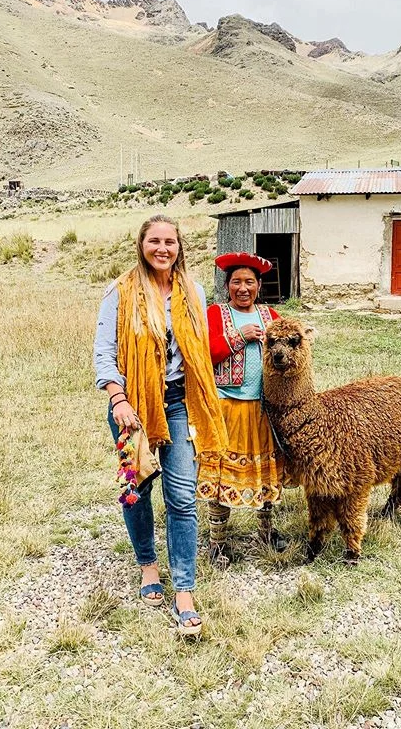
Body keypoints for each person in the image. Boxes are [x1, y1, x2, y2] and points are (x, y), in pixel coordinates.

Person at [93, 215, 228, 636]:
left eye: (170, 241)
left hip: (179, 403)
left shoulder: (193, 291)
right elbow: (104, 353)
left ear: (179, 247)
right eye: (155, 241)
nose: (163, 249)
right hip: (132, 406)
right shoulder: (120, 292)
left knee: (183, 495)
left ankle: (183, 588)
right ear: (142, 244)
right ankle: (149, 565)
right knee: (136, 491)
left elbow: (201, 352)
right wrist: (118, 399)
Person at [198, 252, 287, 567]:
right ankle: (218, 543)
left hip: (263, 408)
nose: (243, 287)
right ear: (227, 285)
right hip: (227, 408)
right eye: (236, 281)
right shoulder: (214, 314)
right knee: (223, 474)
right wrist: (240, 336)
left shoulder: (271, 316)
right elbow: (206, 354)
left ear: (259, 285)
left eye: (250, 281)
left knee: (265, 472)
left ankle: (265, 531)